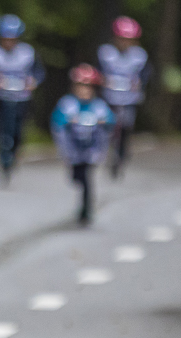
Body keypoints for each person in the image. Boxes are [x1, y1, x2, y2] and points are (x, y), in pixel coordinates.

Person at [51, 64, 115, 225]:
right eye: (80, 86)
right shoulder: (67, 104)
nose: (84, 90)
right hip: (73, 150)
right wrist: (68, 121)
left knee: (87, 178)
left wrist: (103, 123)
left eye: (88, 87)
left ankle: (86, 210)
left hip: (92, 149)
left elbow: (111, 121)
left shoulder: (99, 106)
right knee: (76, 176)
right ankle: (83, 203)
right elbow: (56, 122)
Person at [0, 14, 45, 184]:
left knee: (18, 132)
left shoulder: (28, 53)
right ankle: (3, 159)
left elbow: (39, 73)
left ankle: (14, 153)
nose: (8, 42)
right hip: (1, 98)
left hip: (22, 98)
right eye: (5, 38)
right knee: (2, 130)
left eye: (12, 38)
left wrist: (33, 82)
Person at [97, 16, 152, 178]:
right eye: (122, 39)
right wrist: (101, 80)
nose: (125, 43)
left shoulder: (140, 56)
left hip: (129, 98)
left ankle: (121, 155)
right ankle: (101, 150)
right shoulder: (105, 52)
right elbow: (96, 72)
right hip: (108, 97)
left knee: (126, 125)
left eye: (129, 40)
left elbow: (146, 74)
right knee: (105, 124)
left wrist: (140, 83)